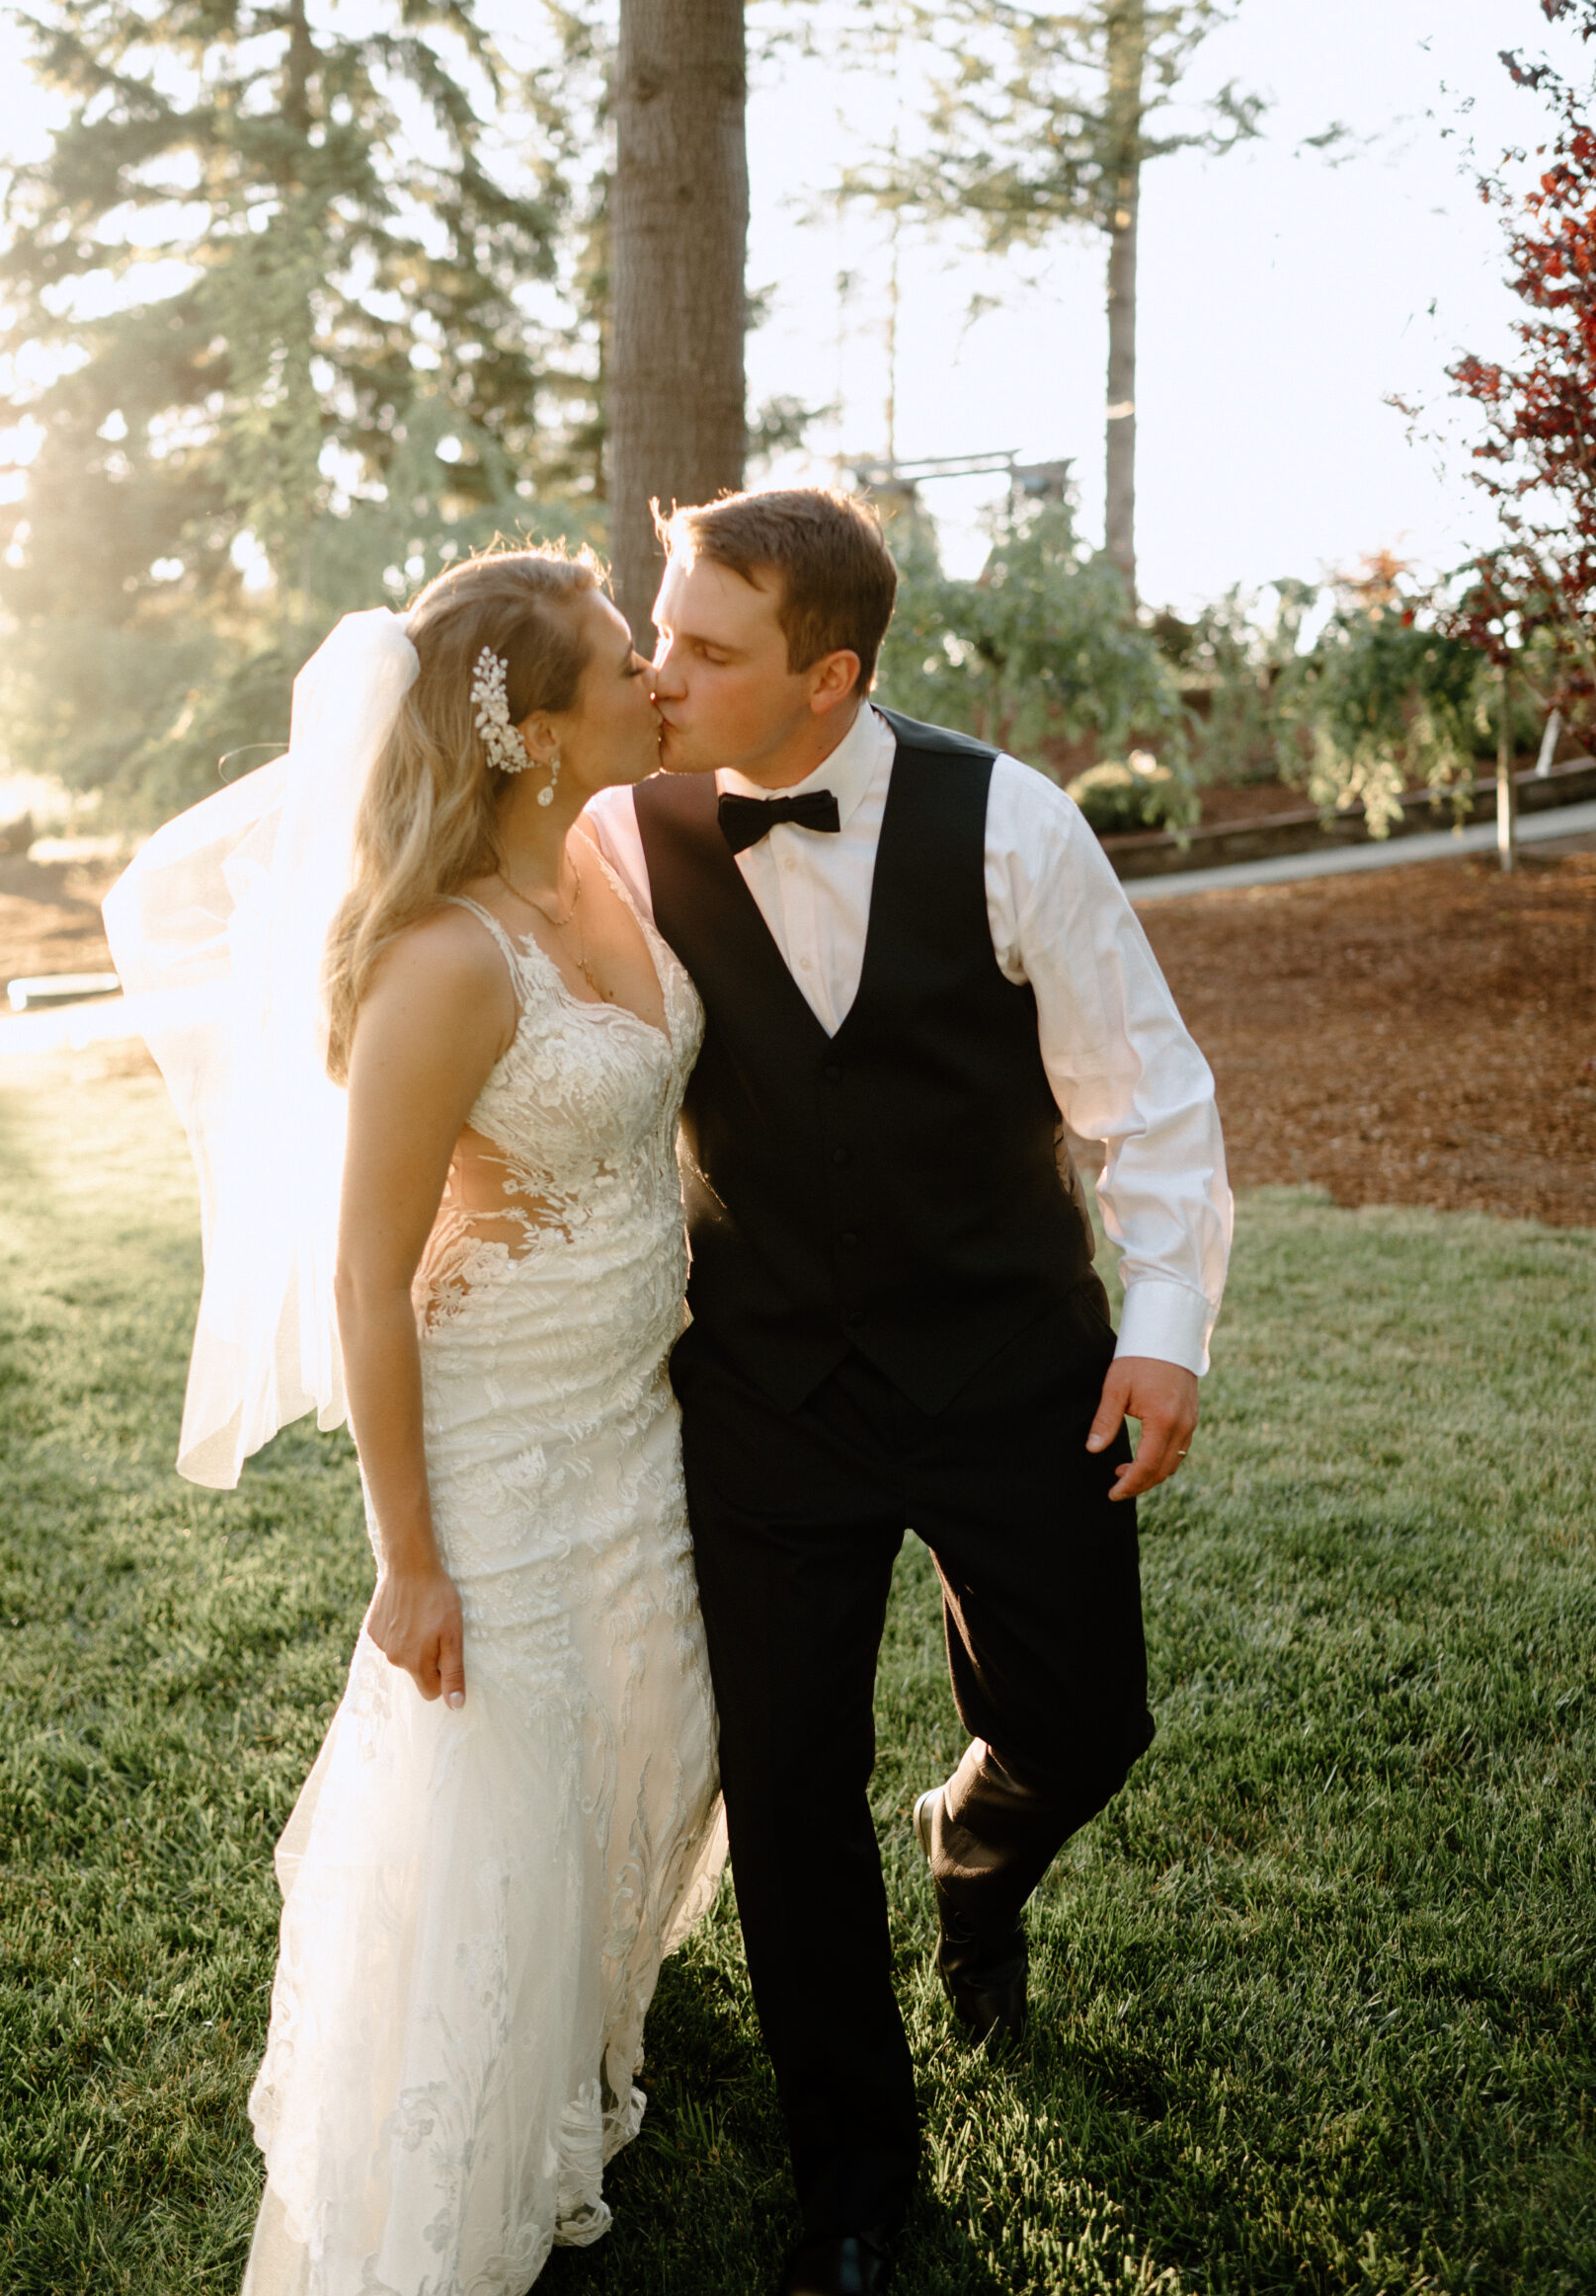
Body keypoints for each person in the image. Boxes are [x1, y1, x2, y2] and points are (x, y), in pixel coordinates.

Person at [589, 487, 1232, 2296]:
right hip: (767, 1385)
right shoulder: (619, 833)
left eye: (706, 648)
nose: (661, 667)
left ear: (829, 675)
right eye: (661, 626)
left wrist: (1164, 1327)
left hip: (1009, 1361)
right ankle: (854, 2189)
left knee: (1090, 1719)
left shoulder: (1010, 822)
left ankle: (976, 1843)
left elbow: (1149, 1097)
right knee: (785, 1789)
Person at [105, 546, 725, 2296]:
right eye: (622, 667)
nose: (652, 684)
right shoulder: (444, 962)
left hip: (632, 1404)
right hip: (496, 1431)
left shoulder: (606, 856)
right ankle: (454, 2159)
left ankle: (590, 2044)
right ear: (533, 732)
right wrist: (410, 1557)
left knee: (643, 1735)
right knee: (496, 1795)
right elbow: (369, 1274)